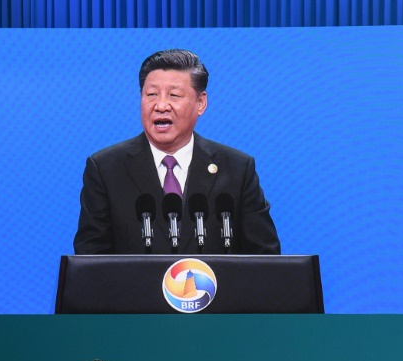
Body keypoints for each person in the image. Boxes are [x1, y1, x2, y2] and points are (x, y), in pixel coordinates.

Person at [73, 48, 281, 255]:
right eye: (151, 94)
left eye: (174, 95)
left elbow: (265, 258)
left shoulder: (237, 169)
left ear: (201, 103)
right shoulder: (106, 169)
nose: (161, 105)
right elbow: (90, 260)